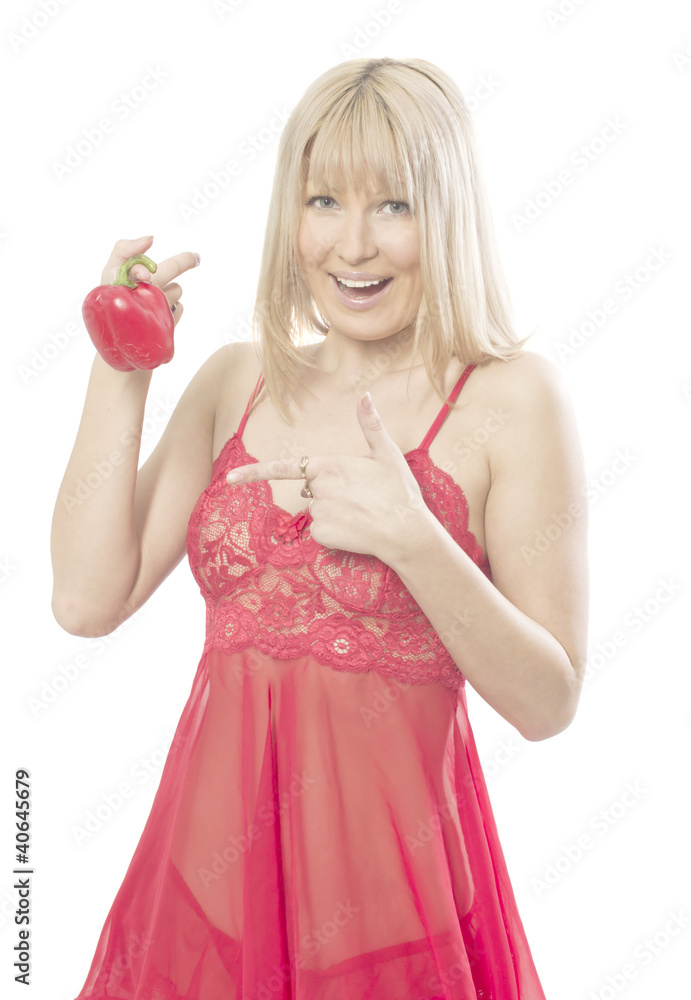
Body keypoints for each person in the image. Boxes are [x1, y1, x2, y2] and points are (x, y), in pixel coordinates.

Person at [51, 56, 589, 1000]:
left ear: (447, 214)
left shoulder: (511, 399)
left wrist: (413, 540)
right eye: (323, 200)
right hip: (200, 914)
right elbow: (86, 600)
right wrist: (120, 366)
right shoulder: (236, 380)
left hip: (395, 929)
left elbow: (549, 703)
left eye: (394, 206)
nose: (352, 245)